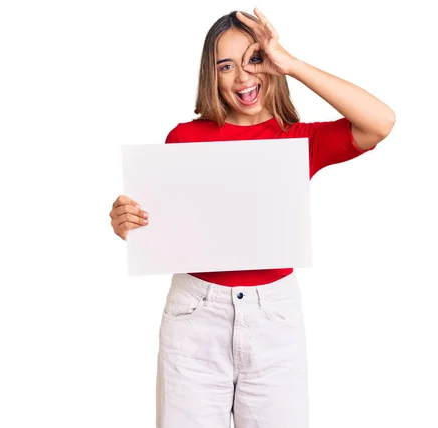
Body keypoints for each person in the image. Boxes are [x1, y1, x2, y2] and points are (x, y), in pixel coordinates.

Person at [109, 8, 395, 428]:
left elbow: (380, 122)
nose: (243, 78)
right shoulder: (184, 138)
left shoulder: (296, 140)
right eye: (226, 66)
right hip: (194, 315)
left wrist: (292, 64)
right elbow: (160, 227)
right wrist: (126, 223)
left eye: (254, 60)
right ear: (212, 75)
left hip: (272, 318)